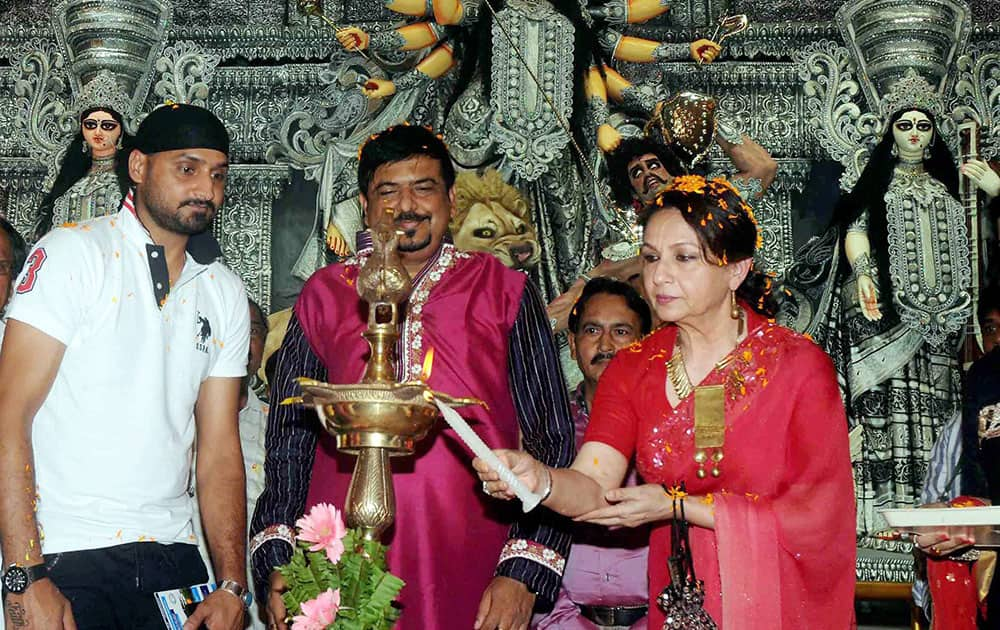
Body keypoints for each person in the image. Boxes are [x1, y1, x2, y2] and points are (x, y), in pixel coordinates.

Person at [476, 175, 856, 629]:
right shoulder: (635, 369)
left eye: (684, 257)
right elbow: (596, 485)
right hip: (677, 599)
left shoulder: (796, 366)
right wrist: (540, 481)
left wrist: (677, 506)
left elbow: (818, 516)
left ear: (736, 269)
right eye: (652, 257)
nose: (659, 276)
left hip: (775, 602)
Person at [249, 124, 575, 630]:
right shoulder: (325, 292)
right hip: (338, 562)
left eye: (423, 188)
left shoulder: (503, 289)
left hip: (475, 557)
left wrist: (525, 569)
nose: (407, 205)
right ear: (364, 203)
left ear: (449, 198)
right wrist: (277, 556)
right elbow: (290, 439)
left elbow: (550, 434)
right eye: (388, 190)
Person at [0, 103, 252, 630]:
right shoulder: (74, 253)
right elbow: (9, 414)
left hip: (174, 555)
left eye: (217, 174)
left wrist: (233, 584)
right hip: (67, 551)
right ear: (138, 167)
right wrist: (24, 574)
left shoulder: (223, 291)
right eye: (187, 168)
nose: (206, 187)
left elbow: (220, 451)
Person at [816, 100, 1000, 545]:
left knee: (939, 418)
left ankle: (942, 515)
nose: (914, 133)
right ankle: (881, 522)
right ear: (890, 134)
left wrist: (997, 191)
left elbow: (985, 244)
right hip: (889, 320)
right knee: (891, 414)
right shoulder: (878, 184)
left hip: (946, 326)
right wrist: (863, 276)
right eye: (905, 126)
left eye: (922, 126)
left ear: (934, 135)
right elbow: (855, 230)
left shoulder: (956, 187)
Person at [536, 277, 652, 629]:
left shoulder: (668, 428)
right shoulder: (547, 429)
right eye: (591, 330)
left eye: (621, 332)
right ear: (572, 344)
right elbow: (529, 531)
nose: (605, 344)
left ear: (646, 344)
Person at [34, 102, 133, 239]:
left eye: (107, 126)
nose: (98, 132)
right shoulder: (72, 177)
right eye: (91, 125)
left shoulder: (130, 178)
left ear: (121, 131)